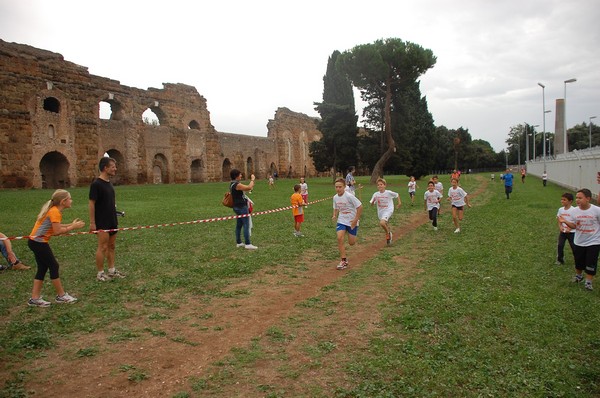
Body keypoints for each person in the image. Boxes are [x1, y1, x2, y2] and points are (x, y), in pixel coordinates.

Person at [27, 189, 85, 307]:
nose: (71, 201)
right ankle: (61, 296)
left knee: (43, 268)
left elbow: (56, 226)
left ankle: (34, 298)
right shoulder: (55, 212)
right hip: (39, 243)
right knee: (54, 265)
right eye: (70, 198)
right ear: (63, 201)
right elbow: (57, 231)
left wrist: (70, 225)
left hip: (35, 242)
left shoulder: (54, 211)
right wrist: (72, 227)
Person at [89, 157, 125, 282]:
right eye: (113, 166)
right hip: (102, 221)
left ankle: (112, 270)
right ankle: (100, 273)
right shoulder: (96, 184)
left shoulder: (109, 183)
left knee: (112, 246)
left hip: (112, 219)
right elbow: (92, 204)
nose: (115, 168)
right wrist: (93, 222)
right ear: (105, 168)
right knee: (102, 247)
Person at [558, 188, 600, 291]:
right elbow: (574, 225)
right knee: (579, 261)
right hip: (579, 241)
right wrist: (565, 222)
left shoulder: (596, 210)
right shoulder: (574, 211)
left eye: (580, 198)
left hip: (594, 241)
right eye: (576, 198)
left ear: (588, 199)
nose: (577, 200)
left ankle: (588, 282)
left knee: (591, 262)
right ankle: (579, 276)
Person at [332, 177, 363, 270]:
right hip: (341, 220)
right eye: (336, 187)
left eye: (340, 187)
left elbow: (360, 207)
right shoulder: (335, 197)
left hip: (351, 221)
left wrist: (355, 220)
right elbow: (336, 207)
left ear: (344, 187)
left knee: (351, 243)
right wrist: (334, 215)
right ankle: (343, 260)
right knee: (339, 238)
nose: (338, 189)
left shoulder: (349, 196)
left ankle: (349, 232)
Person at [230, 169, 257, 250]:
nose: (241, 176)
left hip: (237, 207)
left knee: (239, 225)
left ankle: (239, 242)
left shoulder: (233, 184)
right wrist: (252, 179)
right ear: (236, 176)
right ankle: (248, 243)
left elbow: (247, 187)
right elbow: (248, 187)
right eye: (240, 174)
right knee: (246, 225)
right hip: (241, 207)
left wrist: (251, 184)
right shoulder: (236, 185)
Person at [369, 177, 401, 245]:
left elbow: (397, 194)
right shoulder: (376, 194)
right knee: (384, 223)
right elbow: (371, 204)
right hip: (380, 212)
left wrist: (399, 203)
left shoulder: (388, 192)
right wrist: (373, 201)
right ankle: (389, 234)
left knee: (382, 223)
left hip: (389, 209)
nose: (380, 186)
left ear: (384, 185)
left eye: (381, 184)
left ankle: (388, 234)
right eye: (378, 185)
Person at [556, 192, 576, 265]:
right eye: (561, 199)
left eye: (564, 200)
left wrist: (570, 229)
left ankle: (577, 259)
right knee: (560, 245)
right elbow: (559, 218)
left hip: (572, 232)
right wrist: (560, 227)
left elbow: (576, 222)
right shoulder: (561, 209)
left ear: (570, 201)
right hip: (563, 232)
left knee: (574, 247)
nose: (562, 201)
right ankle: (560, 259)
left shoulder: (574, 210)